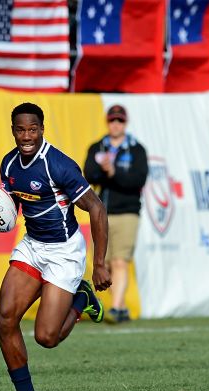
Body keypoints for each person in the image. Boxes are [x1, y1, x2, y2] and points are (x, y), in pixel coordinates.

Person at [0, 102, 111, 391]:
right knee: (4, 318)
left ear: (42, 129)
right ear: (13, 131)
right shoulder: (9, 165)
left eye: (32, 129)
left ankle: (81, 298)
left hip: (64, 252)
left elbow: (97, 209)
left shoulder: (57, 165)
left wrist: (100, 263)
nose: (27, 135)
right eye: (20, 130)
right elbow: (9, 215)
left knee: (47, 337)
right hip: (33, 246)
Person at [83, 104, 148, 324]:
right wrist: (104, 172)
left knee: (120, 261)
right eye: (112, 120)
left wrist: (115, 173)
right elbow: (88, 174)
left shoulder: (136, 149)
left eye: (120, 121)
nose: (116, 124)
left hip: (127, 212)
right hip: (102, 213)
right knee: (104, 263)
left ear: (125, 123)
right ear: (107, 122)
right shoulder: (98, 147)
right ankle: (118, 306)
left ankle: (117, 307)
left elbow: (138, 180)